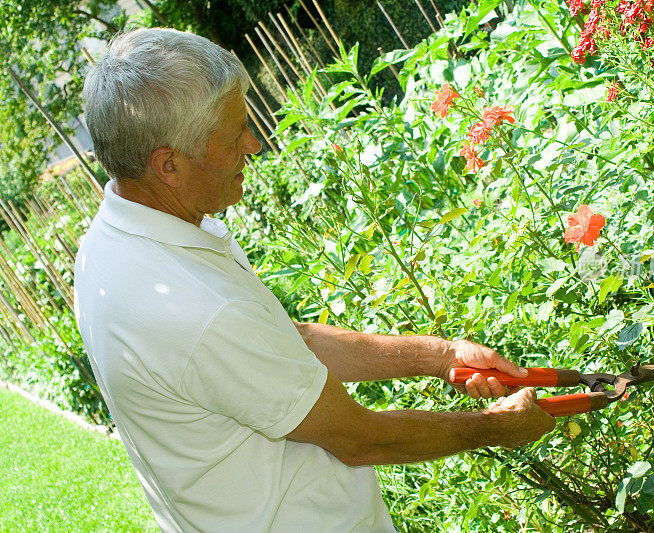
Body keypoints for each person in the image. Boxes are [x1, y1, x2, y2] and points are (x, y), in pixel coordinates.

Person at [74, 28, 555, 532]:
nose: (253, 144)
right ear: (168, 164)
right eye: (233, 133)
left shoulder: (116, 245)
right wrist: (498, 427)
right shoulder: (195, 311)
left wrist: (441, 356)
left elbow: (284, 345)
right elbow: (361, 439)